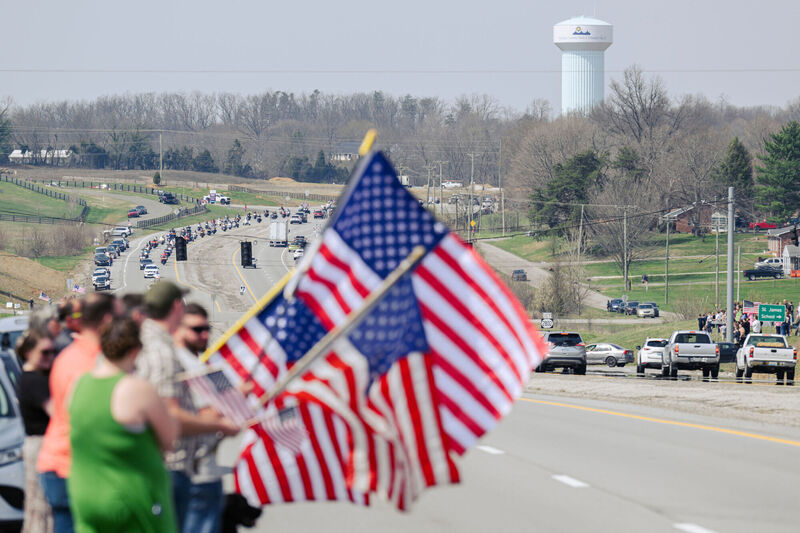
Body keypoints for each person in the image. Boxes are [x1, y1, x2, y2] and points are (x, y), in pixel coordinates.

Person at [136, 282, 238, 531]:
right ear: (176, 307)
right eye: (197, 329)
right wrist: (219, 423)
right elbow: (169, 413)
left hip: (171, 466)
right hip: (174, 466)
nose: (204, 334)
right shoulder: (162, 352)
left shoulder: (145, 344)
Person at [68, 317, 179, 533]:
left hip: (86, 497)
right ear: (135, 350)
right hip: (130, 501)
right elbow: (170, 439)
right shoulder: (136, 389)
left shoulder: (78, 385)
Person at [38, 293, 121, 533]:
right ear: (106, 320)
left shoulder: (71, 355)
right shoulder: (89, 363)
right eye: (120, 317)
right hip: (73, 467)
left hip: (65, 464)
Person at [174, 304, 227, 533]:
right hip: (195, 472)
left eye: (207, 328)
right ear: (178, 329)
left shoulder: (199, 364)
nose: (204, 334)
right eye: (196, 329)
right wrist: (226, 412)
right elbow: (194, 413)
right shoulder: (183, 365)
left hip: (204, 469)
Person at [17, 330, 57, 533]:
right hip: (41, 444)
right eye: (45, 352)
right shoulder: (33, 380)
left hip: (39, 444)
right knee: (42, 503)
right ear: (29, 352)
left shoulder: (31, 377)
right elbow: (56, 412)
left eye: (53, 352)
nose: (50, 357)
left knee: (37, 502)